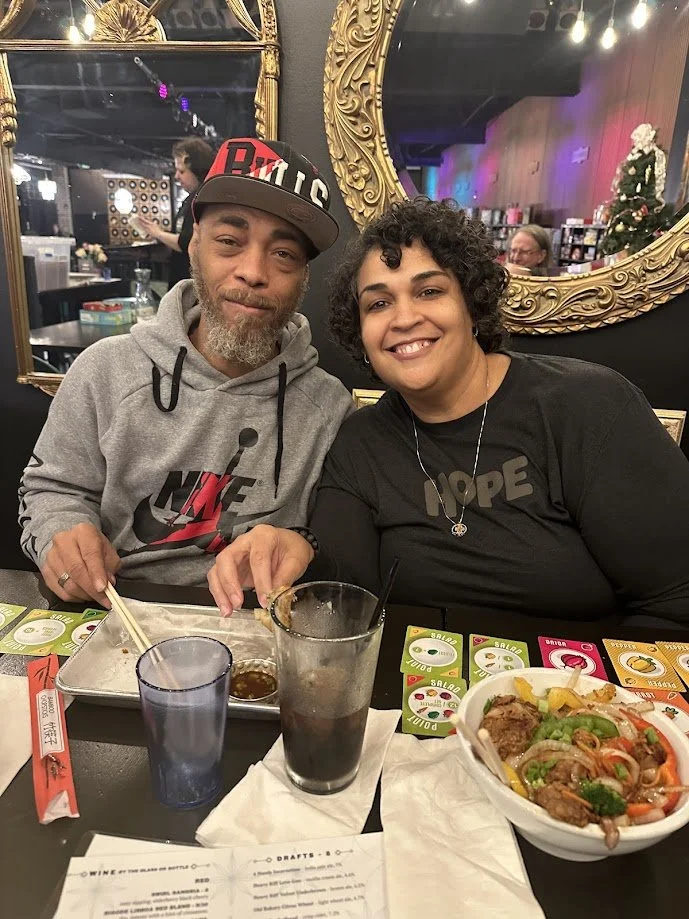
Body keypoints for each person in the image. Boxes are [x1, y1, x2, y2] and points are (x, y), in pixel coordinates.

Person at [207, 197, 689, 625]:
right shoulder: (359, 444)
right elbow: (346, 600)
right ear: (362, 333)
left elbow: (676, 600)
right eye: (378, 304)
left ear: (471, 303)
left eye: (429, 291)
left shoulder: (588, 406)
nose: (403, 318)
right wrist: (295, 547)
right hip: (423, 705)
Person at [19, 137, 353, 610]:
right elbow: (51, 490)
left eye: (283, 254)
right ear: (195, 244)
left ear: (303, 277)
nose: (253, 271)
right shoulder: (104, 372)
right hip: (116, 614)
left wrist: (305, 546)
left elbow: (336, 539)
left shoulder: (330, 407)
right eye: (229, 242)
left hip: (259, 627)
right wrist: (59, 536)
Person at [138, 138, 216, 287]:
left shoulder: (201, 200)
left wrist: (158, 233)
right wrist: (157, 234)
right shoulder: (190, 200)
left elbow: (185, 243)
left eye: (181, 171)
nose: (176, 176)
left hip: (191, 284)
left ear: (197, 170)